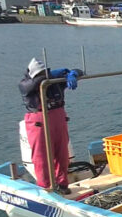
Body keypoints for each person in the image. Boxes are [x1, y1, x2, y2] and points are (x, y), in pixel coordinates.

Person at [19, 57, 82, 194]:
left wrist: (72, 73)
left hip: (58, 116)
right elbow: (32, 84)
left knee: (62, 153)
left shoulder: (55, 82)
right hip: (38, 120)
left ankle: (62, 184)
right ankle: (46, 186)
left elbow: (80, 71)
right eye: (40, 74)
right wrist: (51, 76)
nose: (43, 77)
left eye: (44, 73)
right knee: (41, 156)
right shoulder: (25, 84)